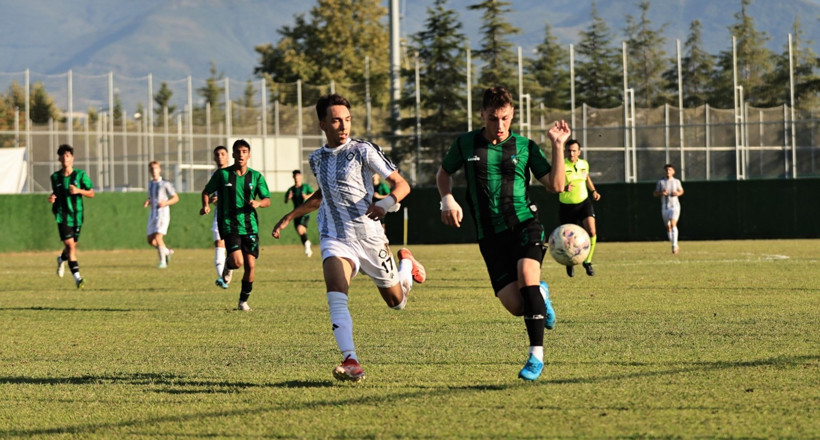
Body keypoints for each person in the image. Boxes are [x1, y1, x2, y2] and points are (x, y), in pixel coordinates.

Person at [272, 93, 426, 383]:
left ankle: (407, 267)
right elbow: (322, 195)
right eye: (336, 120)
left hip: (370, 237)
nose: (343, 126)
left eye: (347, 120)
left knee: (397, 302)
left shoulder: (363, 150)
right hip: (335, 236)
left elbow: (401, 185)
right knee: (336, 294)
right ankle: (351, 359)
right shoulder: (316, 158)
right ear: (322, 125)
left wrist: (383, 204)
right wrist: (290, 216)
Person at [436, 85, 569, 382]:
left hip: (525, 224)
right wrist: (447, 199)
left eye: (506, 118)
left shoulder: (525, 146)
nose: (500, 126)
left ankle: (536, 356)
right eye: (494, 119)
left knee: (527, 277)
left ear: (512, 115)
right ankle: (541, 295)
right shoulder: (465, 144)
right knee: (516, 305)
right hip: (489, 235)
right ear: (482, 114)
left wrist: (558, 146)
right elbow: (443, 173)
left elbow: (556, 185)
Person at [200, 139, 271, 311]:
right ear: (233, 154)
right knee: (238, 262)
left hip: (250, 225)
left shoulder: (256, 176)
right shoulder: (223, 175)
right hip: (229, 224)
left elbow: (267, 200)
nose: (241, 154)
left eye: (244, 151)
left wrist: (259, 203)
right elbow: (206, 191)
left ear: (249, 155)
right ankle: (229, 264)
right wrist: (206, 204)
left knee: (251, 266)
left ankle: (242, 302)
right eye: (238, 151)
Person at [49, 144, 95, 288]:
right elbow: (56, 193)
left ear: (72, 158)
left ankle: (61, 259)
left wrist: (79, 190)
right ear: (59, 159)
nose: (65, 158)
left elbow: (92, 193)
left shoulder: (80, 175)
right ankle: (77, 278)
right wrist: (52, 197)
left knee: (71, 247)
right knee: (70, 246)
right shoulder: (55, 177)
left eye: (67, 155)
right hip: (62, 215)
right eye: (62, 156)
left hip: (77, 216)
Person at [558, 139, 601, 277]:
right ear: (565, 151)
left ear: (579, 152)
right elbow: (553, 184)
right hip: (566, 206)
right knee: (568, 240)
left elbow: (586, 177)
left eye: (574, 150)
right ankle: (569, 263)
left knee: (592, 231)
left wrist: (593, 190)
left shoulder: (584, 164)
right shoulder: (561, 165)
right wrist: (563, 188)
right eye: (569, 150)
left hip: (584, 202)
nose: (571, 153)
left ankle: (587, 262)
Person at [143, 161, 179, 268]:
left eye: (156, 168)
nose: (154, 170)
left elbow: (176, 198)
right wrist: (148, 201)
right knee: (150, 240)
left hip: (162, 213)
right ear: (150, 171)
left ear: (159, 169)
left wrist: (166, 203)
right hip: (153, 213)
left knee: (158, 237)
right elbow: (151, 197)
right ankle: (166, 251)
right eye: (152, 169)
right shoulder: (150, 184)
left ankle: (163, 261)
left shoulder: (165, 184)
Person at [208, 145, 234, 287]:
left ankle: (227, 272)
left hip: (235, 215)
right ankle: (222, 278)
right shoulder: (214, 175)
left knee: (234, 249)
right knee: (219, 243)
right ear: (214, 158)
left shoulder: (233, 173)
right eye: (217, 154)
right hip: (220, 214)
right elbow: (213, 195)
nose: (220, 157)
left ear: (228, 156)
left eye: (222, 154)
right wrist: (212, 200)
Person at [653, 164, 684, 254]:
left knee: (673, 223)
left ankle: (674, 246)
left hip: (675, 206)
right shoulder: (661, 182)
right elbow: (655, 193)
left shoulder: (676, 181)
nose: (668, 171)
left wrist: (678, 193)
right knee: (668, 227)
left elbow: (681, 191)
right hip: (665, 206)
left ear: (673, 171)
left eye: (670, 170)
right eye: (666, 170)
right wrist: (661, 193)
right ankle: (674, 244)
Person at [284, 170, 315, 257]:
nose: (296, 178)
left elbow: (313, 194)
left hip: (305, 212)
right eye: (295, 176)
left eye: (298, 176)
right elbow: (285, 200)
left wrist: (306, 196)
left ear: (300, 176)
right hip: (296, 213)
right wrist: (288, 198)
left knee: (300, 229)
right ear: (293, 177)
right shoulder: (291, 189)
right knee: (301, 232)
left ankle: (307, 245)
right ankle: (307, 246)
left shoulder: (306, 187)